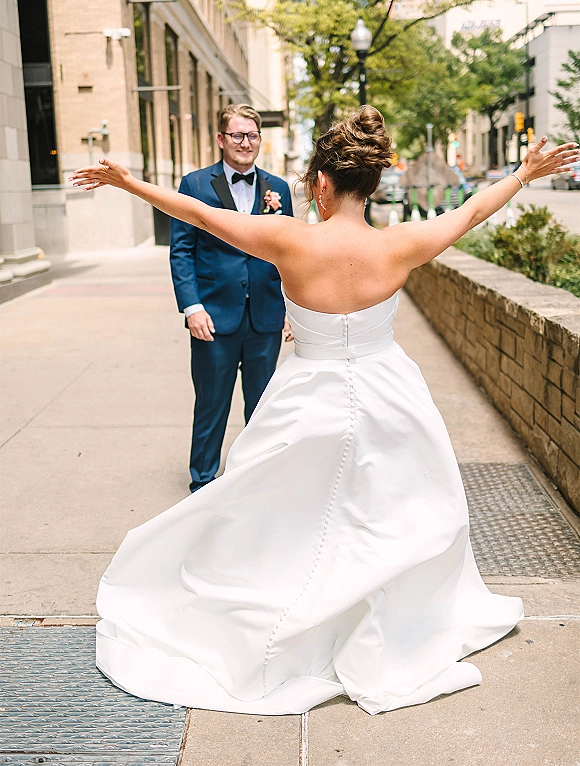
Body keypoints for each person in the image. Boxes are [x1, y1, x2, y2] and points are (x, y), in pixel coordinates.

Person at [71, 108, 578, 717]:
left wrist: (126, 182)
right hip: (390, 394)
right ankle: (384, 614)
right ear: (374, 184)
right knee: (392, 513)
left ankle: (297, 608)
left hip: (307, 394)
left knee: (282, 507)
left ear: (320, 184)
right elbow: (471, 211)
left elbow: (198, 214)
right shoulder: (402, 244)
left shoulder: (290, 239)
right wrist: (522, 173)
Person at [169, 103, 294, 493]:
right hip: (212, 317)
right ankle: (202, 484)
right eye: (237, 135)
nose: (245, 143)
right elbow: (181, 250)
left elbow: (288, 252)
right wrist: (192, 307)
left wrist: (292, 309)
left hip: (265, 318)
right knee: (211, 404)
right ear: (221, 139)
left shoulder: (279, 188)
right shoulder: (194, 185)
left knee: (262, 409)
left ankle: (255, 482)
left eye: (252, 135)